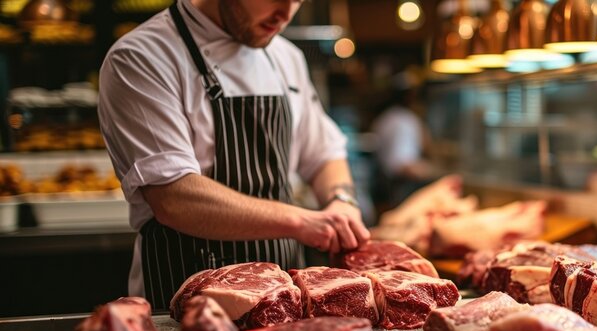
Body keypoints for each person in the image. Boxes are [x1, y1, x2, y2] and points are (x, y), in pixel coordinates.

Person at [98, 0, 370, 309]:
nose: (285, 13)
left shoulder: (285, 57)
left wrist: (341, 201)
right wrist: (301, 221)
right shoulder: (142, 58)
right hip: (188, 302)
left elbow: (323, 153)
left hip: (283, 302)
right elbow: (174, 197)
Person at [371, 70, 440, 208]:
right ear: (411, 96)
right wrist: (437, 173)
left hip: (384, 190)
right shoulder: (405, 121)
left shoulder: (384, 118)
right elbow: (403, 165)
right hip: (401, 193)